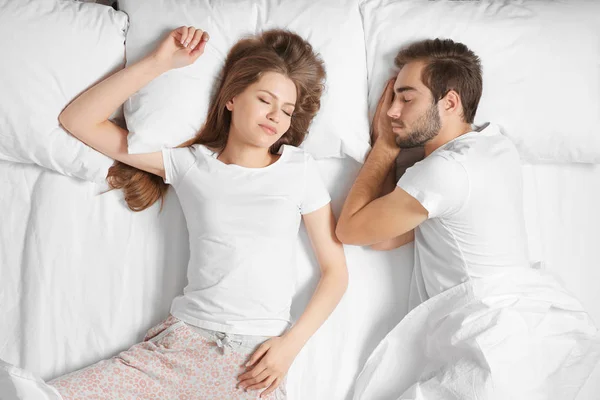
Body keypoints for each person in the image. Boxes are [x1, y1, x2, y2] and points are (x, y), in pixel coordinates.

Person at [47, 26, 348, 399]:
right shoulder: (190, 164)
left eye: (286, 110)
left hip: (255, 365)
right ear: (232, 98)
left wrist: (290, 346)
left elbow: (335, 272)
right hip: (182, 346)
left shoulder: (299, 170)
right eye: (265, 100)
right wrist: (159, 62)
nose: (276, 116)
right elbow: (78, 120)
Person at [336, 38, 600, 399]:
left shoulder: (444, 172)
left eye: (406, 98)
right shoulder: (496, 145)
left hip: (489, 332)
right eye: (392, 98)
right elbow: (385, 236)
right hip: (529, 328)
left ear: (450, 101)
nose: (392, 111)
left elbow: (351, 229)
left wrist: (384, 145)